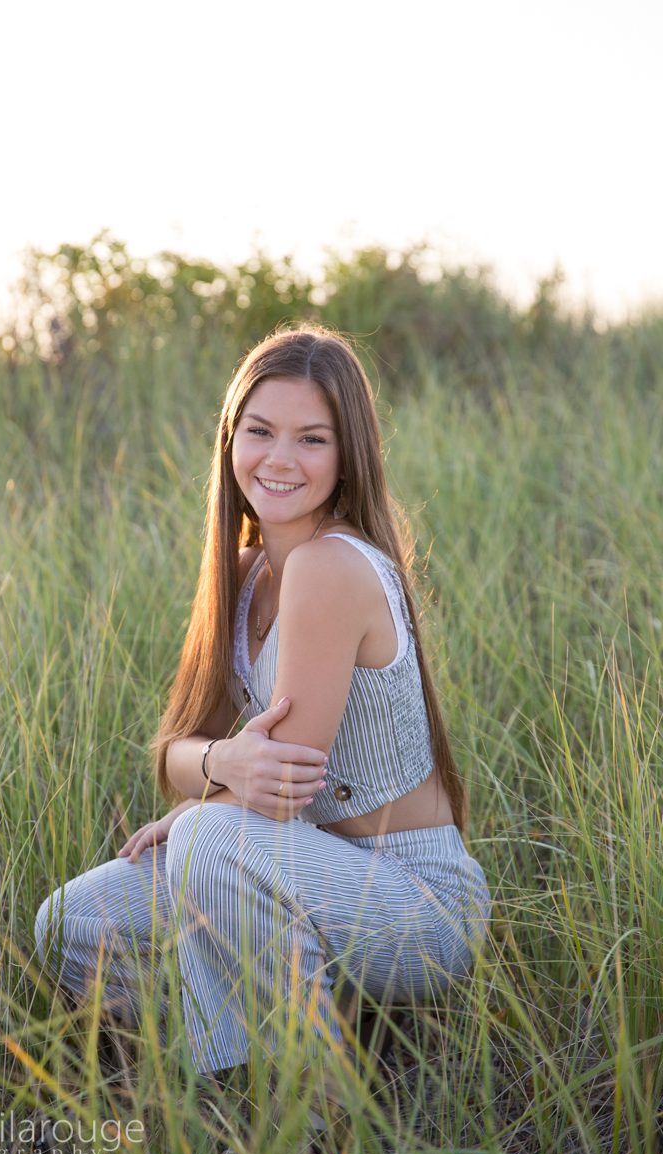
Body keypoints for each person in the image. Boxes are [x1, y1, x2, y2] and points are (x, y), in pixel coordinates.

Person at [34, 325, 491, 1095]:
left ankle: (313, 1103)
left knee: (211, 840)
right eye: (260, 431)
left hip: (415, 906)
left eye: (312, 438)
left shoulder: (330, 566)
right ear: (230, 438)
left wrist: (205, 794)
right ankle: (297, 1014)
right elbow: (181, 750)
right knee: (69, 926)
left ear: (349, 456)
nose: (279, 459)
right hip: (293, 879)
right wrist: (215, 769)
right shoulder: (246, 572)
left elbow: (277, 795)